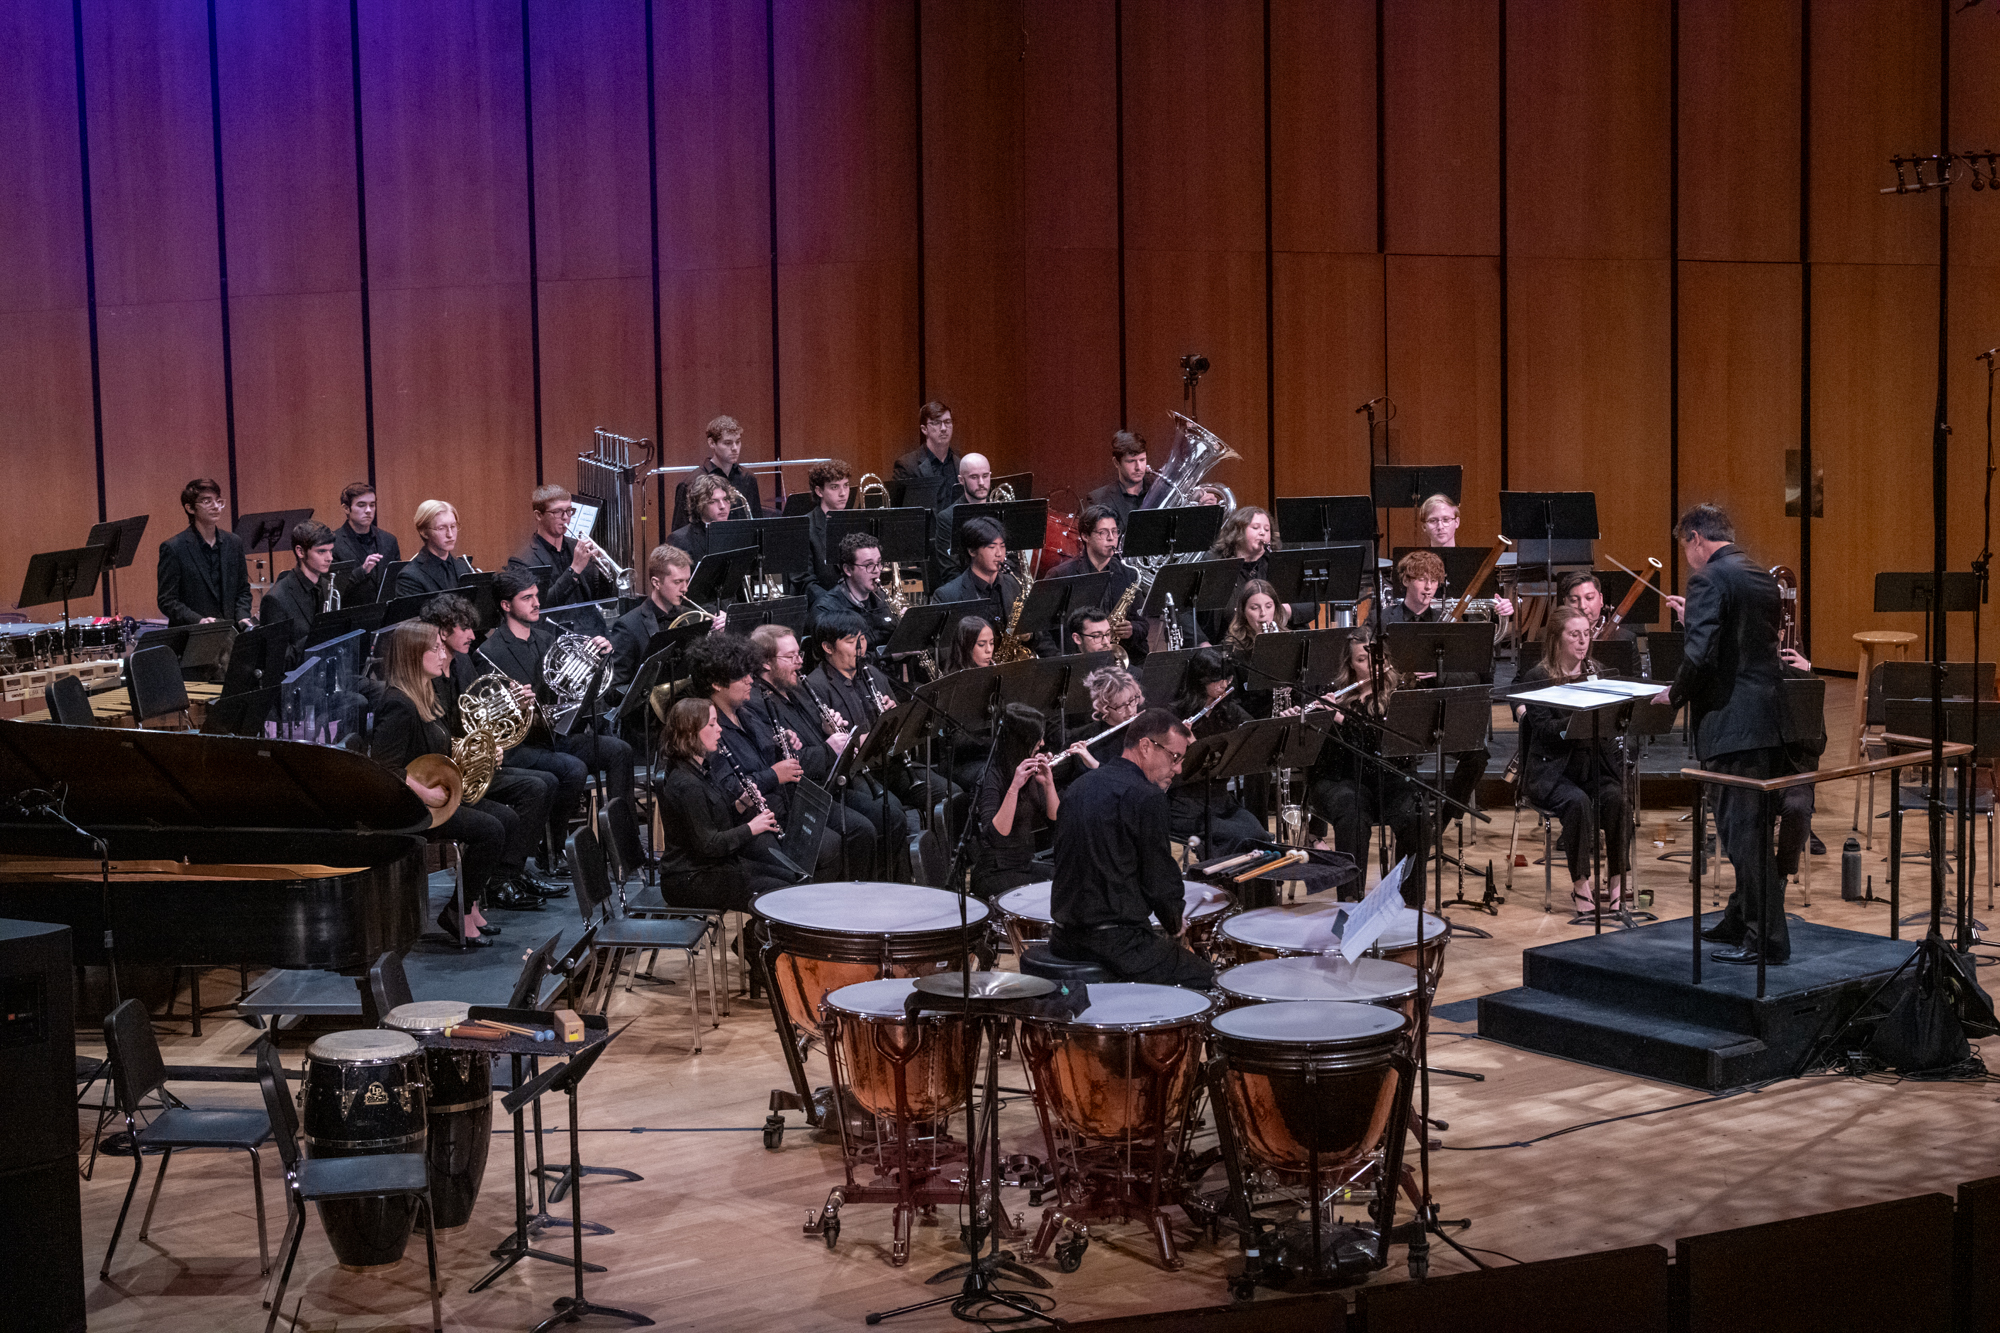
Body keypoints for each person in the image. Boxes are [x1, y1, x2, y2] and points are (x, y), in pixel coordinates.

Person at [1651, 503, 1789, 965]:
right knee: (1746, 832)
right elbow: (1745, 640)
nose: (1687, 557)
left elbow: (1701, 653)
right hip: (1767, 718)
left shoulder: (1707, 577)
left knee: (1743, 837)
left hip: (1731, 724)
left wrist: (1673, 695)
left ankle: (1765, 939)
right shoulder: (1758, 574)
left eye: (1685, 547)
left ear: (1695, 537)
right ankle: (1739, 918)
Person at [368, 621, 538, 945]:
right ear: (413, 655)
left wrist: (486, 755)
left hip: (435, 799)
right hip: (412, 808)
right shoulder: (398, 704)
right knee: (491, 830)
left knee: (508, 818)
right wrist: (428, 793)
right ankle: (455, 911)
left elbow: (443, 747)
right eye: (435, 647)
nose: (443, 653)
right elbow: (385, 768)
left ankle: (469, 906)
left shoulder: (426, 695)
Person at [1049, 708, 1213, 988]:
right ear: (1146, 747)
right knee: (1209, 980)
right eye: (1175, 757)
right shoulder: (1147, 798)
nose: (1179, 769)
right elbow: (1158, 880)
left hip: (1063, 939)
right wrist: (1174, 922)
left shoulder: (1078, 787)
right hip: (1118, 945)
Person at [420, 591, 566, 904]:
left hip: (473, 764)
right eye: (464, 629)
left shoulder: (461, 663)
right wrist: (481, 748)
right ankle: (500, 880)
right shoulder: (428, 676)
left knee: (544, 785)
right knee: (535, 788)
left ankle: (511, 872)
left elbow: (479, 714)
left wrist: (511, 706)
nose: (473, 635)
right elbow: (442, 733)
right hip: (450, 775)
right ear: (443, 632)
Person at [480, 567, 637, 824]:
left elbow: (570, 688)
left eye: (536, 595)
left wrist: (598, 660)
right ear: (506, 605)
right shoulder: (490, 652)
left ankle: (623, 838)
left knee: (620, 750)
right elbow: (488, 715)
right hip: (522, 746)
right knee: (573, 769)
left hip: (555, 737)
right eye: (527, 598)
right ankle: (553, 844)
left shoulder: (546, 638)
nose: (537, 603)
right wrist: (513, 704)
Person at [689, 632, 850, 879]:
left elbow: (768, 752)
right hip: (748, 824)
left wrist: (782, 742)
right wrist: (775, 775)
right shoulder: (710, 728)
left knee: (843, 835)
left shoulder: (745, 713)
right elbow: (729, 790)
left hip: (782, 809)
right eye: (741, 676)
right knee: (819, 851)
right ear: (717, 684)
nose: (750, 681)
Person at [750, 623, 905, 879]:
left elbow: (820, 742)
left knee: (891, 815)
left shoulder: (796, 690)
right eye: (790, 657)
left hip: (826, 786)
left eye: (799, 654)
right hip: (799, 796)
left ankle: (883, 888)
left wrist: (826, 729)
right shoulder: (758, 704)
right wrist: (828, 747)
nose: (799, 663)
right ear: (765, 663)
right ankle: (851, 902)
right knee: (861, 830)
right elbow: (784, 763)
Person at [1513, 606, 1631, 915]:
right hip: (1552, 771)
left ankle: (1617, 883)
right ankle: (1581, 886)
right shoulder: (1538, 677)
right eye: (1574, 635)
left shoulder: (1597, 672)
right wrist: (1575, 724)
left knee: (1618, 801)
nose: (1582, 642)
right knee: (1578, 803)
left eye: (1586, 634)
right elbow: (1543, 729)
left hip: (1594, 766)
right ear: (1556, 639)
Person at [1305, 637, 1424, 898]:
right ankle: (1350, 901)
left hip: (1388, 775)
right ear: (1350, 665)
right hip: (1340, 777)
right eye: (1362, 660)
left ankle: (1408, 900)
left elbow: (1381, 748)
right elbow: (1319, 752)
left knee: (1417, 813)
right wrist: (1314, 718)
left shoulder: (1401, 694)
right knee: (1352, 813)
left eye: (1376, 658)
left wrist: (1341, 719)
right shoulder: (1337, 693)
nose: (1371, 665)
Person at [655, 697, 792, 912]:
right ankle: (756, 942)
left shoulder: (700, 769)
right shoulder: (686, 783)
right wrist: (752, 827)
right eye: (711, 724)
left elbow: (713, 818)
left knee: (790, 877)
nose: (719, 729)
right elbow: (710, 845)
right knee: (779, 893)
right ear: (691, 733)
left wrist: (740, 805)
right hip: (690, 879)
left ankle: (754, 941)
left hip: (711, 868)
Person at [808, 610, 953, 811]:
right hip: (857, 774)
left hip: (892, 764)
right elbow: (826, 746)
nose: (860, 648)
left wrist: (895, 717)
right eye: (851, 642)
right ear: (827, 647)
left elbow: (901, 734)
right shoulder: (816, 686)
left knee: (950, 794)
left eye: (863, 639)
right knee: (890, 812)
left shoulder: (873, 674)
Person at [1168, 647, 1266, 858]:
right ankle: (1221, 887)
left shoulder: (1228, 710)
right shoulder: (1175, 714)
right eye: (1217, 680)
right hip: (1186, 804)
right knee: (1238, 838)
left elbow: (1257, 733)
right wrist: (1190, 746)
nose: (1224, 685)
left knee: (1259, 835)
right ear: (1200, 680)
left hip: (1221, 800)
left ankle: (1247, 891)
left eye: (1227, 679)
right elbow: (1171, 770)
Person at [609, 544, 723, 714]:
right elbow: (613, 692)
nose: (685, 589)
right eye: (678, 582)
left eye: (687, 581)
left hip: (687, 714)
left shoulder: (692, 618)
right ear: (656, 582)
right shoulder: (628, 626)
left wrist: (718, 636)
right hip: (647, 723)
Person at [973, 704, 1058, 900]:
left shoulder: (1030, 770)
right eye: (1038, 737)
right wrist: (1014, 788)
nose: (1043, 743)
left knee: (1069, 882)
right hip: (995, 872)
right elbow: (996, 836)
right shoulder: (991, 776)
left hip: (1024, 865)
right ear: (1022, 741)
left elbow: (1056, 823)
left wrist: (1048, 784)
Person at [1045, 504, 1148, 663]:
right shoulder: (1061, 575)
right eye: (1103, 532)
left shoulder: (1129, 574)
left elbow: (1143, 624)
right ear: (1085, 536)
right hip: (1076, 661)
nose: (1111, 538)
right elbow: (1042, 630)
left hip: (1118, 660)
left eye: (1114, 532)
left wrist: (1132, 629)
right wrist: (1059, 662)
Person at [157, 478, 253, 628]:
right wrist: (199, 620)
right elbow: (167, 601)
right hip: (193, 636)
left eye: (218, 501)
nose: (216, 507)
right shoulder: (173, 548)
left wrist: (242, 616)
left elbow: (243, 590)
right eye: (207, 501)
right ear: (190, 508)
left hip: (230, 633)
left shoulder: (234, 543)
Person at [510, 483, 616, 608]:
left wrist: (605, 572)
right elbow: (540, 607)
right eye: (557, 512)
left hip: (591, 625)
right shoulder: (522, 561)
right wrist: (574, 570)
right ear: (538, 515)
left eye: (569, 511)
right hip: (555, 626)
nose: (565, 518)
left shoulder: (579, 549)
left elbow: (609, 604)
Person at [1415, 493, 1514, 619]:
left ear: (1456, 522)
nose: (1440, 526)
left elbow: (1492, 611)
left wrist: (1503, 607)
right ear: (1424, 526)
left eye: (1446, 520)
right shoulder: (1414, 565)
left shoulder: (1477, 563)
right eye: (1433, 521)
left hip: (1467, 634)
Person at [257, 520, 340, 661]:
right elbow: (277, 661)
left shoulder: (329, 588)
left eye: (330, 551)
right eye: (321, 551)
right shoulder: (275, 599)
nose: (330, 558)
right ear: (300, 551)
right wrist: (316, 637)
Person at [809, 533, 900, 652]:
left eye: (878, 563)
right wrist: (890, 656)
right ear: (847, 569)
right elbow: (842, 660)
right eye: (869, 565)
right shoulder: (827, 609)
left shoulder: (883, 599)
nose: (877, 571)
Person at [670, 414, 763, 530]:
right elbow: (680, 532)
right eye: (727, 443)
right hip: (706, 546)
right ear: (711, 443)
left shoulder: (748, 478)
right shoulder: (690, 483)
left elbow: (757, 523)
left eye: (738, 442)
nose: (735, 448)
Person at [934, 517, 1021, 634]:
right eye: (991, 547)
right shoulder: (947, 596)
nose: (999, 554)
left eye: (1002, 546)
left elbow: (1039, 635)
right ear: (972, 551)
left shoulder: (1013, 584)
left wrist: (1030, 635)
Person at [332, 481, 400, 603]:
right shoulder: (333, 544)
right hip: (353, 615)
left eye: (372, 505)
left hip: (385, 614)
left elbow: (396, 580)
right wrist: (362, 571)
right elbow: (333, 590)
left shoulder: (389, 540)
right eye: (361, 505)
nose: (368, 510)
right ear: (346, 508)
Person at [1084, 430, 1162, 531]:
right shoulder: (1098, 500)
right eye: (1131, 461)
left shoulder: (1161, 491)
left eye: (1142, 460)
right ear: (1116, 463)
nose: (1138, 467)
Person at [890, 400, 959, 510]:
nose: (944, 428)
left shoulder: (960, 464)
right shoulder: (906, 466)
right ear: (924, 429)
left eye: (947, 422)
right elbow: (898, 510)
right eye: (936, 423)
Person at [934, 451, 994, 574]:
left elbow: (1013, 561)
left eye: (985, 476)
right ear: (961, 480)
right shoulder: (947, 517)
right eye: (974, 477)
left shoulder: (1001, 509)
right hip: (967, 589)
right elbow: (950, 572)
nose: (981, 483)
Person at [396, 500, 469, 597]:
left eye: (453, 526)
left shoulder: (463, 567)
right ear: (424, 532)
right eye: (441, 528)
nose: (450, 534)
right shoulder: (410, 577)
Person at [804, 460, 853, 589]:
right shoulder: (805, 527)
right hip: (823, 605)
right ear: (819, 491)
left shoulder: (855, 522)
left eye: (846, 485)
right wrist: (834, 605)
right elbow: (805, 582)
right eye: (834, 487)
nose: (843, 493)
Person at [668, 473, 733, 566]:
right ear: (700, 505)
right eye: (713, 501)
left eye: (726, 499)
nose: (723, 506)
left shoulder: (736, 535)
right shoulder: (679, 540)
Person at [1557, 570, 1632, 641]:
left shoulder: (1624, 638)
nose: (1582, 606)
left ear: (1601, 599)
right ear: (1565, 603)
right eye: (1574, 600)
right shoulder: (1553, 637)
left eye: (1589, 598)